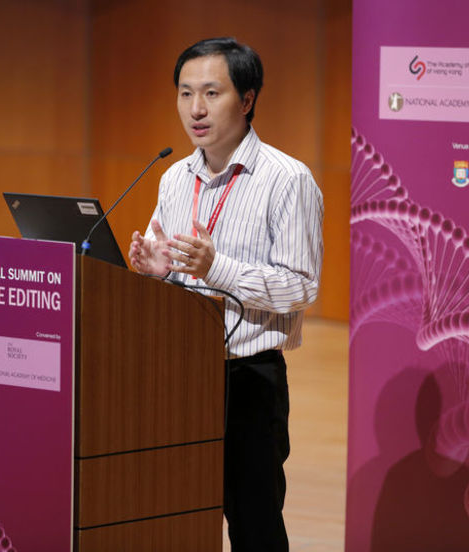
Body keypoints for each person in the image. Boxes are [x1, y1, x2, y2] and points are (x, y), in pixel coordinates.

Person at [127, 37, 324, 552]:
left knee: (253, 526)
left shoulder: (288, 180)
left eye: (212, 93)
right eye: (185, 92)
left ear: (247, 98)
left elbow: (301, 285)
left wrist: (219, 269)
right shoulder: (174, 177)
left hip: (248, 380)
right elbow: (172, 267)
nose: (196, 108)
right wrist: (157, 270)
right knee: (177, 517)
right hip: (176, 374)